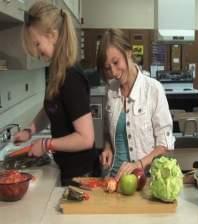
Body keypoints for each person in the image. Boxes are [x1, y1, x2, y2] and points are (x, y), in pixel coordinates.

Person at [14, 1, 99, 185]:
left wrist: (46, 144)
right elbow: (51, 108)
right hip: (67, 167)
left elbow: (86, 138)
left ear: (52, 35)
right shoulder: (56, 70)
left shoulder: (71, 77)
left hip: (81, 173)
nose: (36, 52)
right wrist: (30, 130)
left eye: (37, 44)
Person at [96, 29, 175, 181]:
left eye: (116, 62)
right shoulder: (110, 91)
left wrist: (139, 164)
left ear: (129, 52)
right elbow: (107, 131)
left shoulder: (153, 90)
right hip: (114, 180)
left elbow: (165, 146)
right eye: (107, 67)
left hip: (145, 183)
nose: (114, 72)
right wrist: (107, 148)